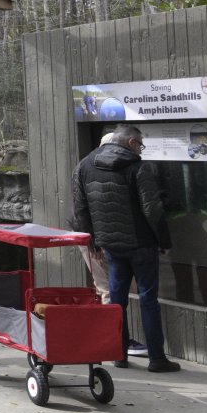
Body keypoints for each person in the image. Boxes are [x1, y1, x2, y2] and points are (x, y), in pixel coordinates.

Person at [71, 123, 180, 373]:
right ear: (131, 142)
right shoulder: (138, 167)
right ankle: (157, 359)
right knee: (148, 299)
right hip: (142, 244)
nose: (141, 150)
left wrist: (92, 241)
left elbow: (80, 208)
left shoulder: (84, 166)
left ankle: (118, 354)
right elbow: (152, 209)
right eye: (140, 145)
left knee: (117, 300)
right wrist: (164, 241)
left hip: (111, 246)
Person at [69, 132, 115, 306]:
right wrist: (92, 243)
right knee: (106, 286)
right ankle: (111, 322)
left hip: (96, 233)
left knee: (106, 285)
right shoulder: (89, 167)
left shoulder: (84, 165)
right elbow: (81, 208)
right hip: (92, 234)